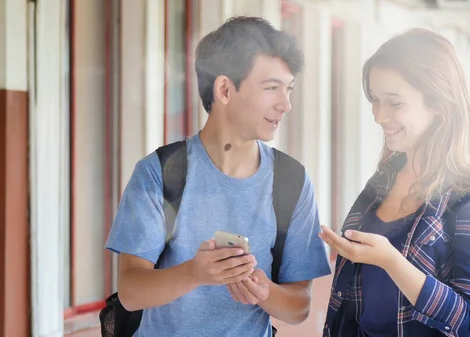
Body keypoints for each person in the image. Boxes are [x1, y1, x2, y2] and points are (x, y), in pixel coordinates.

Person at [105, 16, 331, 337]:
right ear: (224, 88)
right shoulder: (159, 172)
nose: (286, 104)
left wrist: (266, 292)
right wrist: (194, 273)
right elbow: (130, 291)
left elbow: (299, 306)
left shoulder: (292, 181)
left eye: (288, 88)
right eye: (271, 88)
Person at [319, 28, 470, 337]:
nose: (379, 116)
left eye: (395, 103)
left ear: (439, 103)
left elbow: (469, 321)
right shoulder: (382, 180)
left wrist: (391, 262)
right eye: (375, 100)